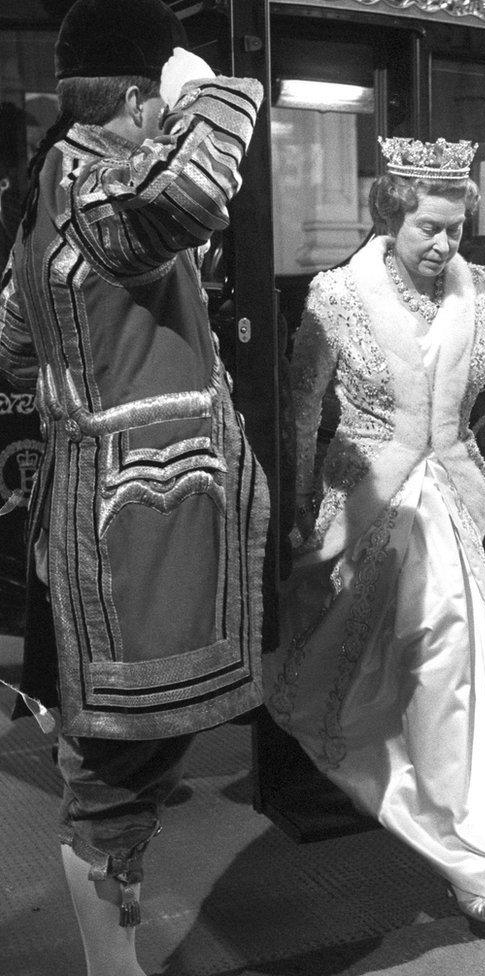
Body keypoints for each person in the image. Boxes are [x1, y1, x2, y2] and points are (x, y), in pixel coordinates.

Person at [0, 2, 268, 973]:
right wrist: (210, 85)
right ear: (126, 98)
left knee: (129, 764)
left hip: (100, 507)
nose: (164, 120)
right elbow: (198, 184)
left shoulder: (52, 190)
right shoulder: (100, 188)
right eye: (155, 101)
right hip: (138, 525)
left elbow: (14, 347)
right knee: (114, 770)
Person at [264, 136, 485, 924]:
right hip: (362, 509)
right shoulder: (337, 295)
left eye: (456, 228)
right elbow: (298, 413)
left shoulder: (482, 291)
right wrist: (292, 517)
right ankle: (405, 800)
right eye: (429, 227)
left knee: (455, 676)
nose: (445, 244)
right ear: (391, 215)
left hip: (453, 512)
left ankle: (472, 857)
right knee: (355, 677)